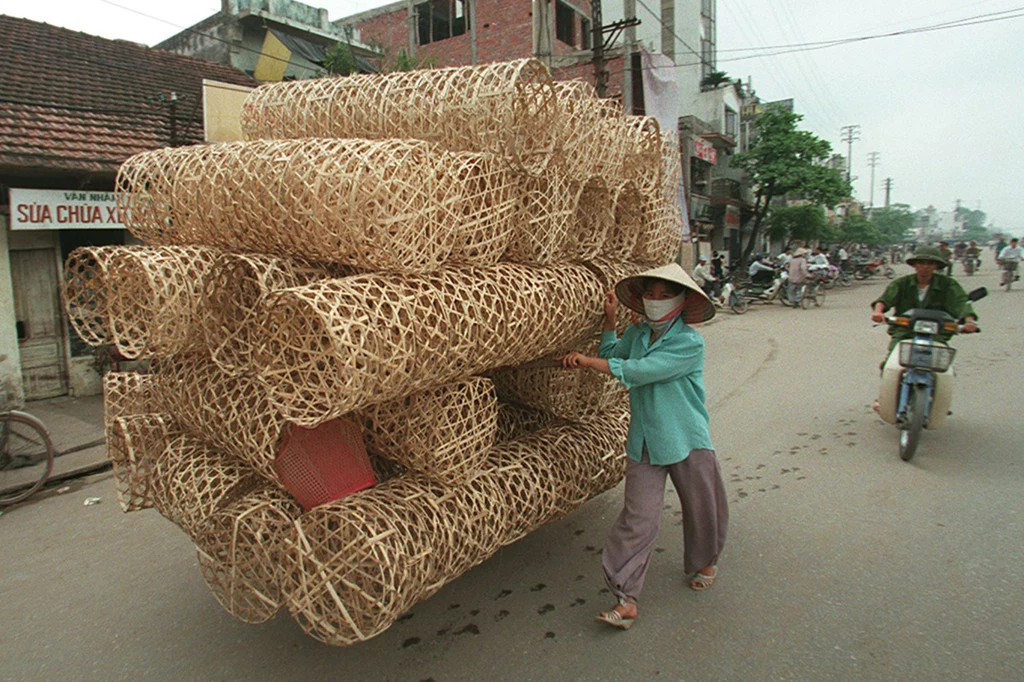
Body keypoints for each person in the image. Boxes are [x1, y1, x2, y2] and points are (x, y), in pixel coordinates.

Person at [559, 264, 728, 630]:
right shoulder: (637, 333)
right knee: (638, 518)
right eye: (650, 294)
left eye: (664, 296)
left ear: (682, 302)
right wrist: (610, 320)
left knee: (701, 506)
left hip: (685, 438)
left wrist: (588, 362)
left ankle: (705, 560)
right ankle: (626, 596)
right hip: (644, 440)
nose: (654, 301)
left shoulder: (689, 343)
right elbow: (615, 351)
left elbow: (639, 371)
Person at [870, 246, 978, 392]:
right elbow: (884, 300)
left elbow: (961, 302)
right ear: (914, 265)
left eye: (930, 263)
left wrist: (969, 321)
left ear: (936, 266)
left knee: (942, 367)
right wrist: (878, 312)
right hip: (905, 330)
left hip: (937, 332)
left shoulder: (948, 284)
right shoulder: (902, 283)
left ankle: (940, 398)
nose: (925, 267)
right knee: (891, 363)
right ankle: (885, 396)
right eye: (921, 263)